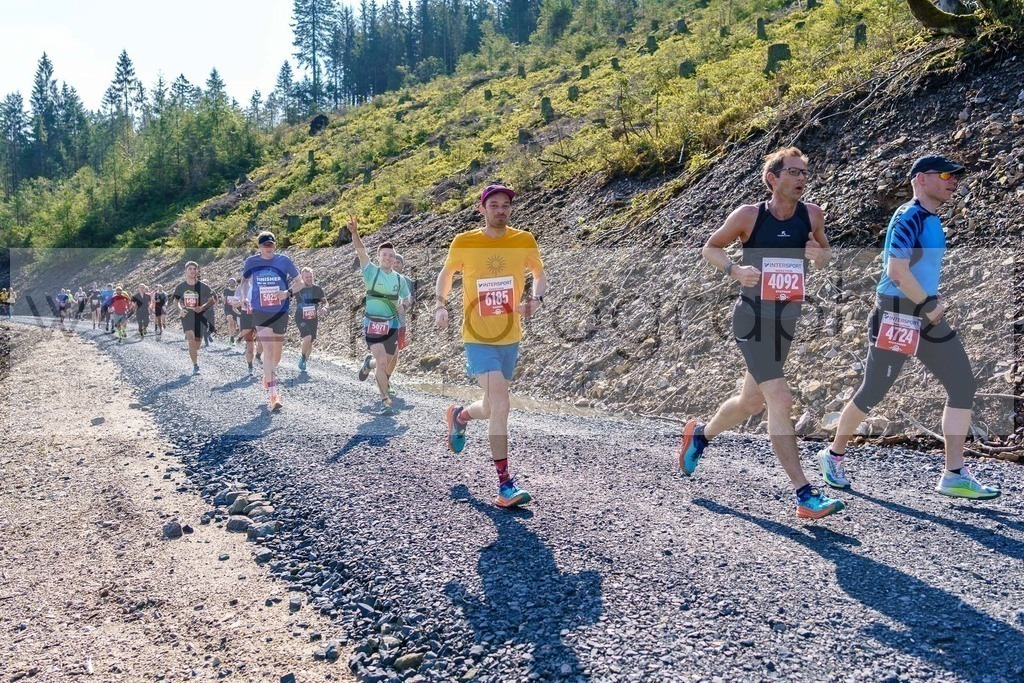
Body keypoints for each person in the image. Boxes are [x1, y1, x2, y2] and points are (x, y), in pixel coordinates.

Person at [674, 147, 845, 520]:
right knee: (780, 399)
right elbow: (711, 247)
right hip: (750, 320)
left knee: (751, 402)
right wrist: (734, 270)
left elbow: (826, 255)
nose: (802, 179)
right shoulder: (749, 216)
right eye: (795, 172)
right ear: (773, 178)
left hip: (785, 322)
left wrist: (819, 254)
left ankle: (700, 435)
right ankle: (804, 494)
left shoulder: (811, 214)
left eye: (805, 173)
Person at [819, 155, 1000, 500]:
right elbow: (896, 271)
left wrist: (930, 300)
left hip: (922, 310)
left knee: (962, 383)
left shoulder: (930, 219)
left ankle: (954, 473)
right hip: (899, 312)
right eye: (946, 174)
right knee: (874, 389)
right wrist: (929, 304)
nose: (953, 181)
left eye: (956, 176)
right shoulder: (909, 215)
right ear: (920, 179)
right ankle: (833, 454)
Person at [435, 184, 546, 509]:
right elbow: (447, 272)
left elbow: (538, 273)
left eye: (505, 206)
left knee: (489, 405)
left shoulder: (523, 239)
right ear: (480, 209)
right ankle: (504, 486)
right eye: (493, 205)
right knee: (502, 403)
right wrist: (440, 303)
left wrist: (536, 299)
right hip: (477, 336)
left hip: (511, 336)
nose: (500, 210)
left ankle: (460, 416)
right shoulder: (465, 242)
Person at [350, 219, 410, 415]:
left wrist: (403, 303)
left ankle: (369, 363)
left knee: (388, 361)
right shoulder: (371, 272)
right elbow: (361, 251)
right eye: (384, 255)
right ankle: (385, 400)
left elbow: (408, 298)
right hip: (373, 324)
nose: (388, 258)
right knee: (383, 362)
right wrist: (355, 233)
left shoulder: (399, 279)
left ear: (395, 260)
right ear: (378, 257)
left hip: (391, 325)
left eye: (391, 256)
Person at [238, 231, 302, 410]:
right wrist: (245, 297)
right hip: (260, 311)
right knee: (268, 349)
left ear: (275, 245)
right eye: (265, 245)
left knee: (277, 356)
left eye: (271, 244)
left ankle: (267, 375)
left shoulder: (284, 261)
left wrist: (286, 293)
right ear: (259, 247)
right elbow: (244, 281)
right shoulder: (252, 262)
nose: (269, 248)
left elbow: (300, 282)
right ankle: (274, 396)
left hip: (280, 311)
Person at [171, 262, 216, 375]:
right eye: (190, 269)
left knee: (197, 343)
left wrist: (203, 307)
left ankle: (193, 354)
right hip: (187, 316)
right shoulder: (181, 287)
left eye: (194, 269)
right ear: (186, 271)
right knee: (191, 340)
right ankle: (195, 366)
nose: (192, 270)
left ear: (197, 271)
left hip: (200, 316)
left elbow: (213, 299)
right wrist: (180, 310)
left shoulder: (203, 286)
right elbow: (175, 301)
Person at [294, 267, 328, 373]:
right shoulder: (298, 288)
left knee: (310, 342)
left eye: (310, 276)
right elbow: (286, 294)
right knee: (307, 337)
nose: (309, 279)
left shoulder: (317, 289)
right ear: (302, 277)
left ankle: (304, 361)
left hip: (313, 318)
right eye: (306, 277)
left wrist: (325, 307)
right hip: (300, 317)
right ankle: (302, 357)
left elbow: (325, 302)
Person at [224, 277, 241, 346]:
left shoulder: (238, 290)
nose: (231, 284)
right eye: (230, 282)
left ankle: (234, 336)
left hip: (237, 309)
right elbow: (224, 299)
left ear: (235, 283)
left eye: (233, 282)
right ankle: (231, 338)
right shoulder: (226, 290)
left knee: (235, 324)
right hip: (228, 308)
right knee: (231, 322)